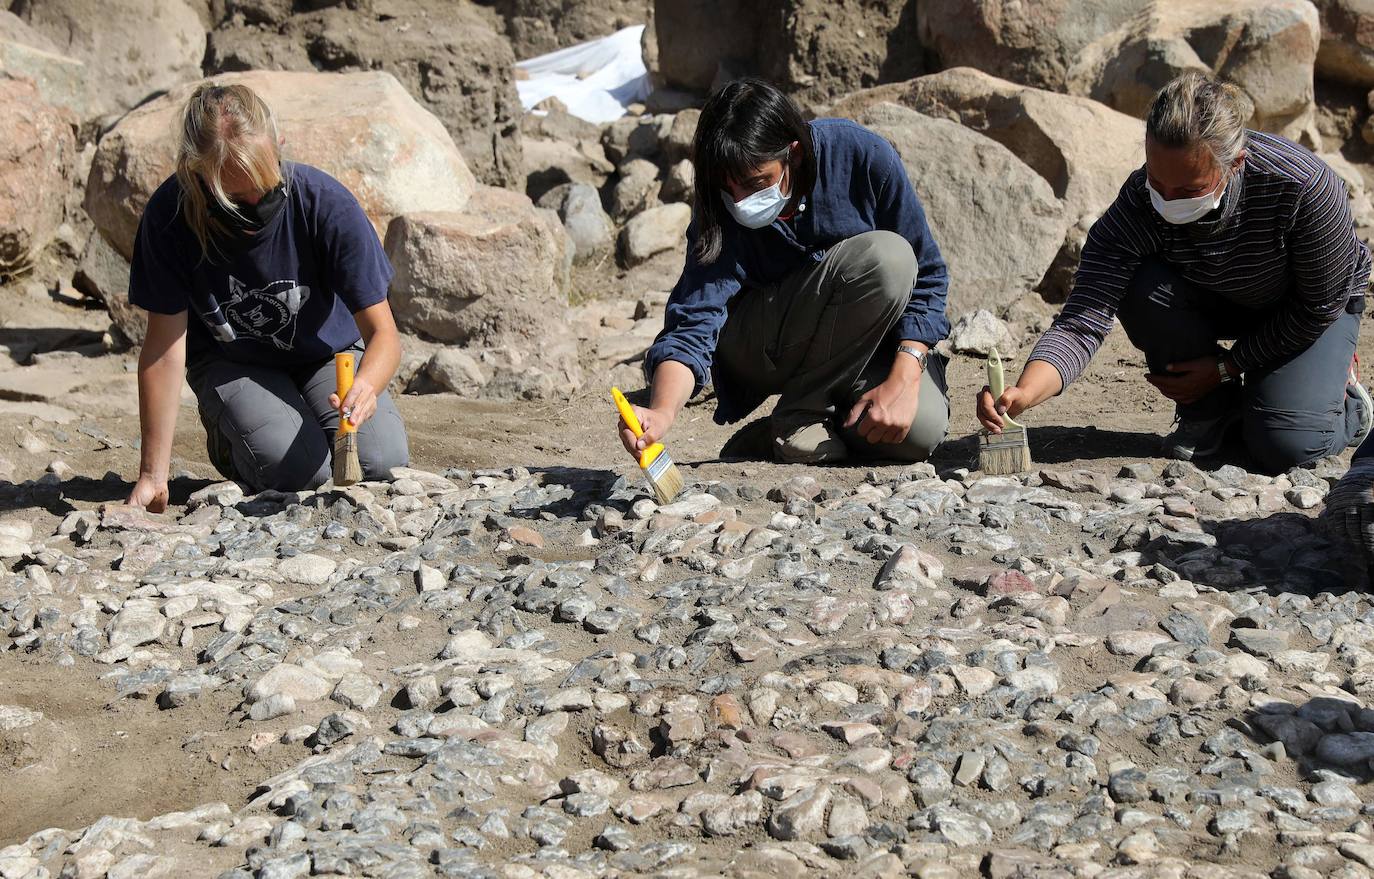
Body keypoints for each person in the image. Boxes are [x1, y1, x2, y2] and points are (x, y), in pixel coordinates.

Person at [977, 71, 1373, 474]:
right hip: (1219, 295)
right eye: (1156, 180)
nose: (1166, 200)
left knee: (1287, 448)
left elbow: (1317, 307)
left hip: (1310, 308)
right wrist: (1024, 392)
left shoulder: (1304, 188)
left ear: (1234, 164)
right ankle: (1212, 412)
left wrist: (1229, 365)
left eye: (1187, 192)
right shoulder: (1137, 204)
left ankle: (1347, 402)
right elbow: (1083, 321)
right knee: (1139, 284)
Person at [620, 78, 952, 465]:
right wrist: (661, 413)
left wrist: (905, 377)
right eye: (729, 189)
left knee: (917, 434)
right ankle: (802, 415)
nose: (741, 201)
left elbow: (928, 275)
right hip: (766, 344)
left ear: (793, 154)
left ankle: (781, 433)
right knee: (887, 259)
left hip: (860, 345)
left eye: (755, 183)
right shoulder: (722, 204)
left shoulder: (859, 155)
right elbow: (695, 320)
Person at [126, 83, 409, 511]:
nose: (257, 201)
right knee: (298, 474)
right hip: (232, 361)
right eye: (236, 198)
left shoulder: (325, 204)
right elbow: (164, 351)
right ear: (197, 173)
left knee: (380, 462)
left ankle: (300, 414)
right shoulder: (170, 218)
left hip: (325, 355)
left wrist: (366, 386)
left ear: (279, 145)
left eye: (266, 182)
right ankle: (229, 438)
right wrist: (153, 476)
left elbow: (384, 334)